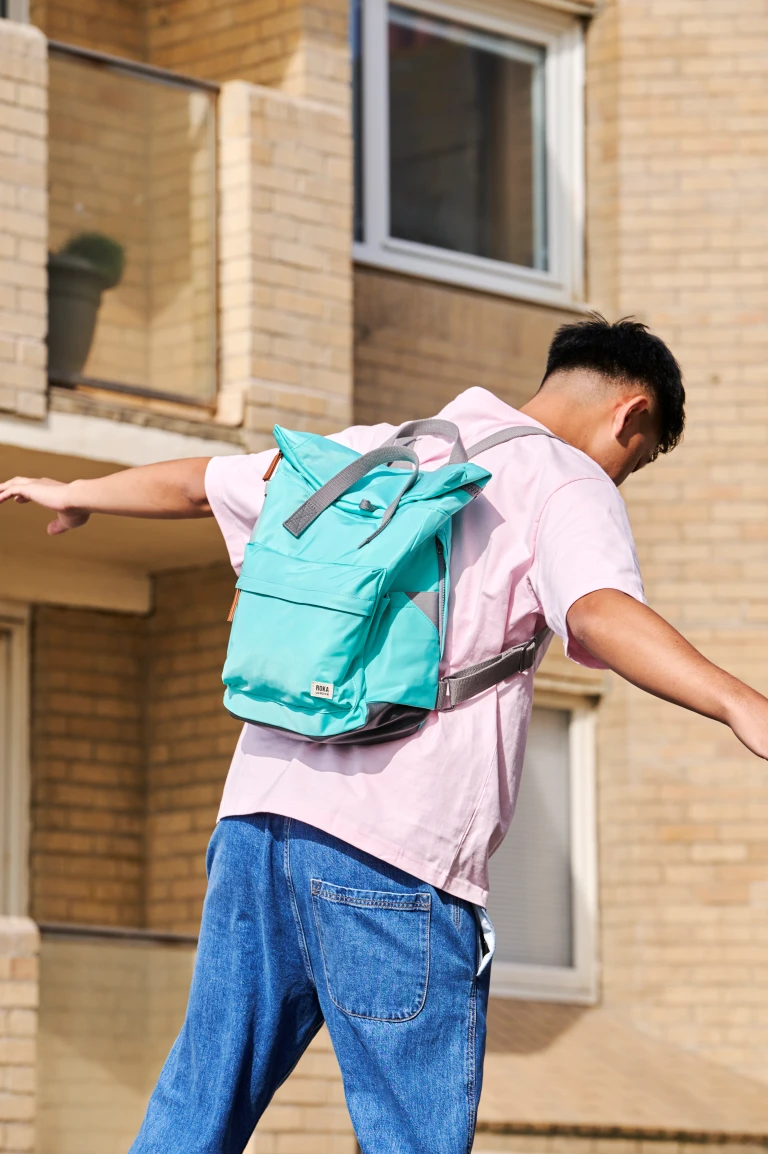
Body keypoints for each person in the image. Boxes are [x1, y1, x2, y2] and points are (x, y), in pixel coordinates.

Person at [3, 316, 768, 1154]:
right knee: (412, 1136)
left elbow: (199, 484)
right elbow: (597, 610)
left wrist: (76, 492)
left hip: (258, 826)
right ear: (633, 415)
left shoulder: (385, 448)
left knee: (198, 1104)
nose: (625, 475)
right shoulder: (566, 481)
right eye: (640, 458)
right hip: (395, 851)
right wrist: (737, 701)